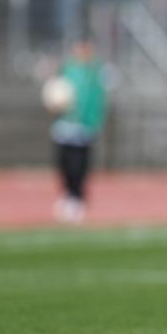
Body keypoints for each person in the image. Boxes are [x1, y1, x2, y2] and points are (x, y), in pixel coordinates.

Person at [51, 38, 108, 223]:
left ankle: (77, 197)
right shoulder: (67, 70)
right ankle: (68, 194)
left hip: (84, 127)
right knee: (64, 163)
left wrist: (94, 122)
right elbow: (57, 93)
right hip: (65, 125)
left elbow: (98, 99)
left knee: (79, 165)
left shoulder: (95, 73)